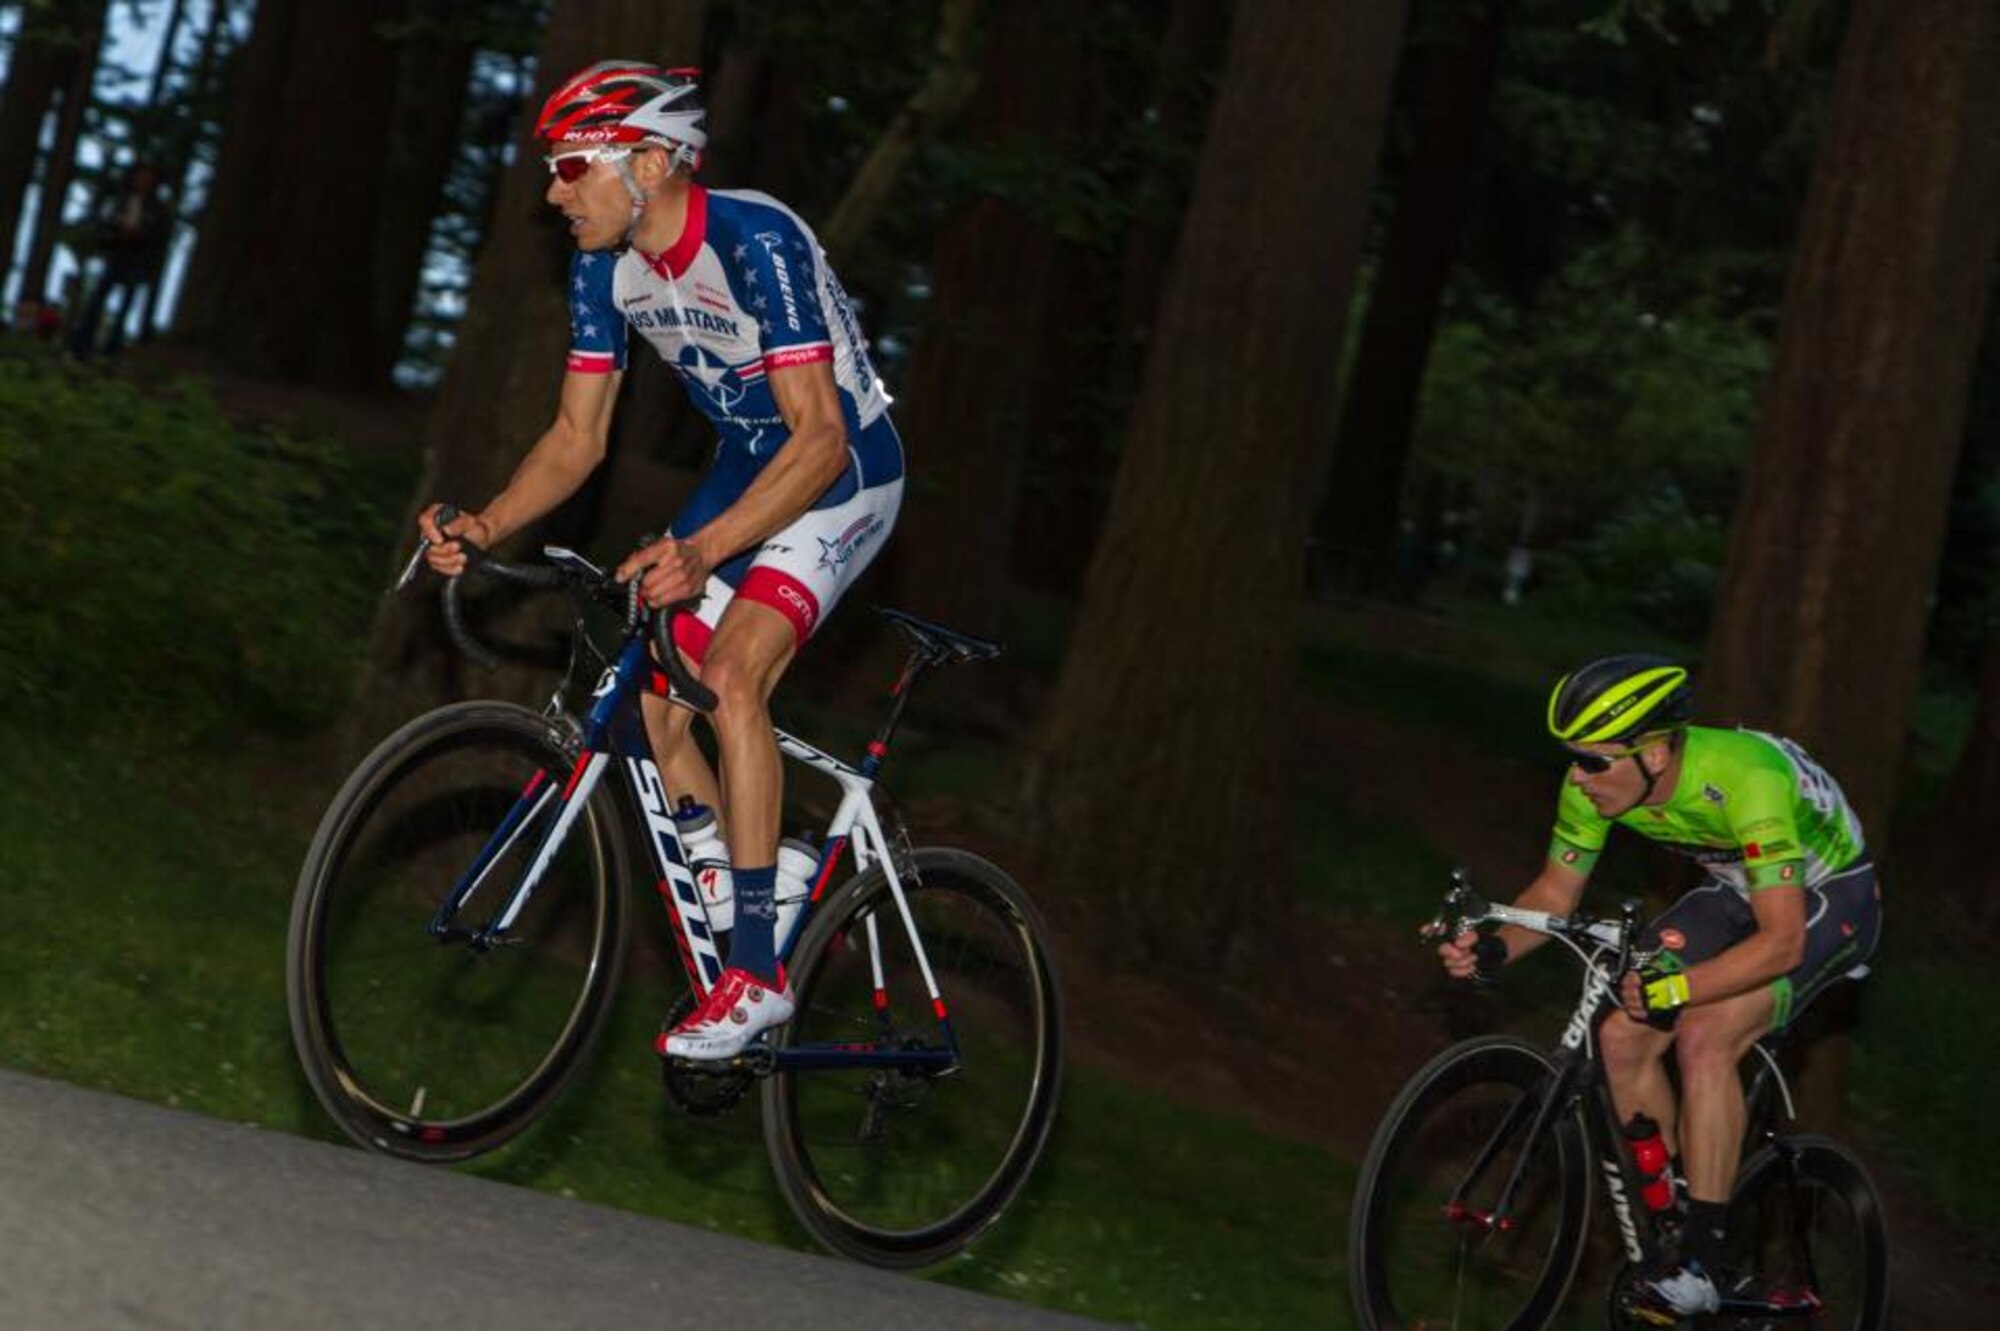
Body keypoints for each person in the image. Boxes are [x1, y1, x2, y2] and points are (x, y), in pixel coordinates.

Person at [420, 61, 904, 1061]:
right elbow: (575, 438)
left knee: (729, 672)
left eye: (569, 167)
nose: (553, 192)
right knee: (649, 697)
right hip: (744, 470)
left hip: (844, 471)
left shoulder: (753, 236)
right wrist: (485, 523)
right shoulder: (603, 268)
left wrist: (700, 550)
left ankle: (759, 974)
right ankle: (749, 866)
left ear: (649, 160)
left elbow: (814, 439)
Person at [1434, 655, 1882, 1322]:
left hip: (1828, 900)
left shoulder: (1746, 779)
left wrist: (1683, 988)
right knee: (1620, 1033)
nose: (1579, 777)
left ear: (1652, 752)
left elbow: (1782, 941)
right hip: (1736, 889)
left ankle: (1700, 1258)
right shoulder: (1593, 782)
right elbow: (1555, 894)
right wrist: (1493, 948)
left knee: (1703, 1033)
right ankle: (1675, 1215)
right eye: (1571, 758)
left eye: (1593, 760)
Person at [69, 161, 170, 358]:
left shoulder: (157, 209)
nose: (144, 182)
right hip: (117, 254)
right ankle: (82, 344)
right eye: (141, 177)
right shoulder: (121, 202)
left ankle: (112, 348)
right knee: (98, 299)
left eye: (149, 179)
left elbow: (158, 237)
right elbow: (106, 226)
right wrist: (116, 233)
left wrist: (141, 236)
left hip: (137, 259)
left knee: (126, 304)